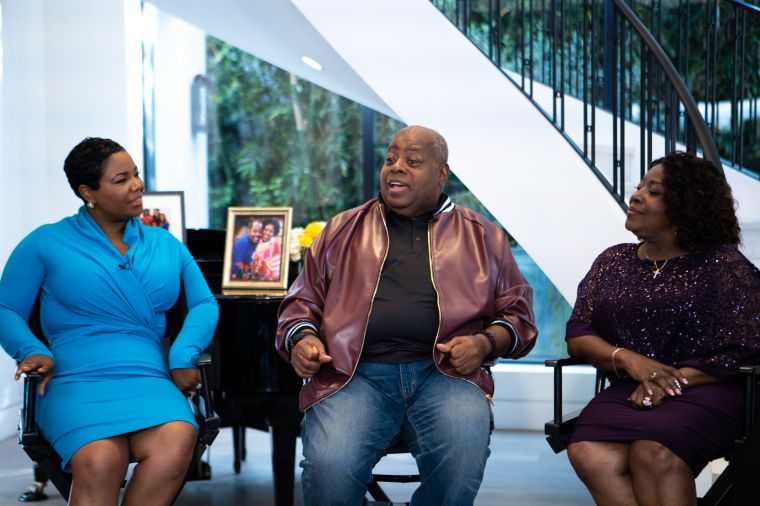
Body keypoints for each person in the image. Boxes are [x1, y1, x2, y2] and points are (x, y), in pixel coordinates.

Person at [276, 125, 537, 506]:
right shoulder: (341, 229)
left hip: (446, 375)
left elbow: (520, 316)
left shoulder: (483, 236)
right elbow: (300, 303)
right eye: (391, 158)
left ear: (442, 174)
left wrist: (483, 344)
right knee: (329, 471)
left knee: (461, 463)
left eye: (412, 161)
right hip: (353, 376)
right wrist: (303, 338)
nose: (396, 167)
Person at [0, 137, 219, 506]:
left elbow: (204, 303)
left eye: (135, 174)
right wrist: (31, 349)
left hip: (148, 377)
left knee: (178, 439)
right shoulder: (44, 243)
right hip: (74, 380)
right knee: (100, 460)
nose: (137, 185)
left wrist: (183, 353)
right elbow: (6, 309)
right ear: (89, 192)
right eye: (121, 179)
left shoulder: (166, 244)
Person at [564, 152, 760, 506]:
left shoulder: (722, 263)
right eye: (640, 186)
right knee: (588, 451)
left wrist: (668, 381)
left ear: (686, 206)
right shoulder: (613, 260)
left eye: (653, 191)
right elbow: (579, 334)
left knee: (653, 452)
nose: (637, 195)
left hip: (707, 389)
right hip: (630, 388)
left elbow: (745, 345)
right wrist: (629, 360)